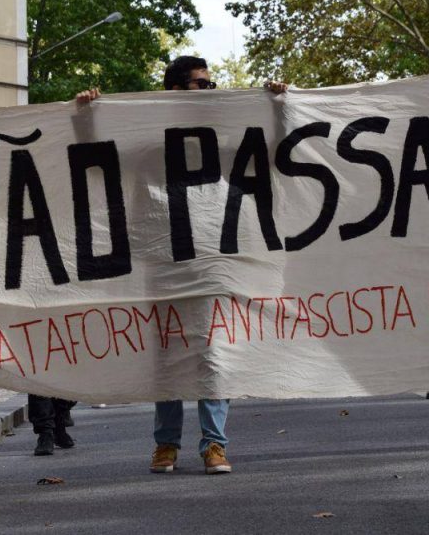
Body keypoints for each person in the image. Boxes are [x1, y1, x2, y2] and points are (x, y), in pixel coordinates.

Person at [76, 55, 288, 475]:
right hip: (164, 264)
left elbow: (268, 153)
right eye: (200, 84)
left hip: (213, 260)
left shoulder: (221, 136)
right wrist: (85, 116)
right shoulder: (147, 141)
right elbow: (98, 161)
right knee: (169, 356)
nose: (209, 91)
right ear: (173, 90)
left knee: (214, 354)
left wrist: (279, 108)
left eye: (211, 84)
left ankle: (214, 445)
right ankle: (166, 445)